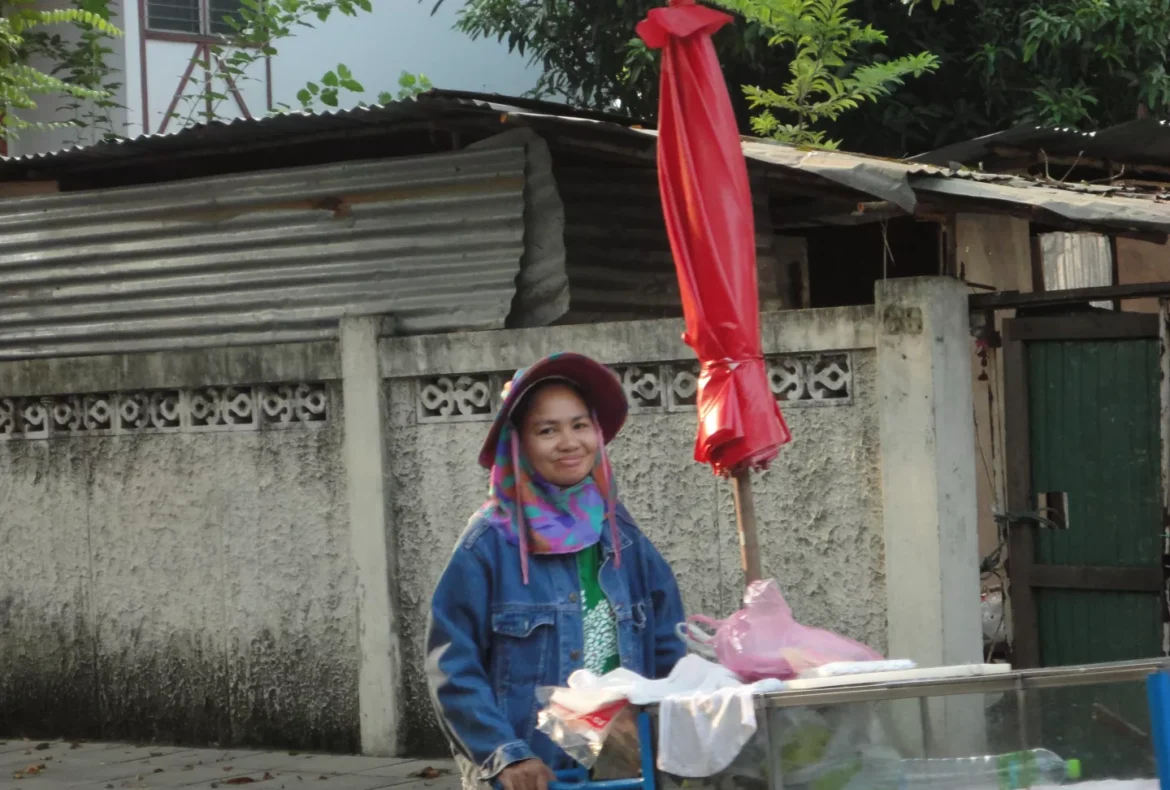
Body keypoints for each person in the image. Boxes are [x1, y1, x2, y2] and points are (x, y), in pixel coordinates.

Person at [426, 352, 687, 790]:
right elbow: (452, 665)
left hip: (622, 772)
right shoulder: (487, 543)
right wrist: (506, 757)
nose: (569, 442)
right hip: (534, 775)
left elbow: (667, 645)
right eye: (547, 430)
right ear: (519, 444)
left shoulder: (621, 536)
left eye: (580, 425)